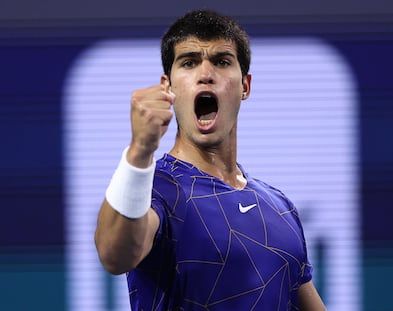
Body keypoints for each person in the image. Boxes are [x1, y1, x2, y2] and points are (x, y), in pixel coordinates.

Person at [95, 9, 326, 311]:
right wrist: (139, 151)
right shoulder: (155, 190)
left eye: (221, 61)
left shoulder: (280, 207)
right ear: (168, 88)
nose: (205, 74)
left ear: (245, 86)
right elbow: (115, 255)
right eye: (189, 62)